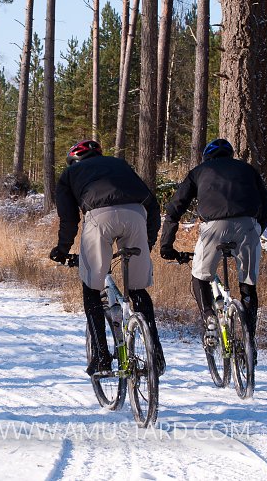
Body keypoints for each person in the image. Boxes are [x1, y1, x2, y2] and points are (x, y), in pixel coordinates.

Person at [49, 140, 164, 376]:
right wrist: (147, 243)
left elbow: (69, 218)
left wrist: (62, 250)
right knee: (139, 289)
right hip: (136, 215)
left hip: (99, 218)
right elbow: (153, 204)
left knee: (92, 286)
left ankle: (101, 356)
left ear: (74, 160)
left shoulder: (70, 174)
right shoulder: (120, 165)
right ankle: (156, 355)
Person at [159, 138, 267, 363]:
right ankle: (250, 340)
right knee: (248, 285)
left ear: (207, 158)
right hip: (247, 225)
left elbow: (174, 209)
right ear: (230, 156)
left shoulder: (199, 171)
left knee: (200, 275)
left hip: (214, 228)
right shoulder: (248, 169)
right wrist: (256, 230)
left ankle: (209, 317)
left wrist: (167, 246)